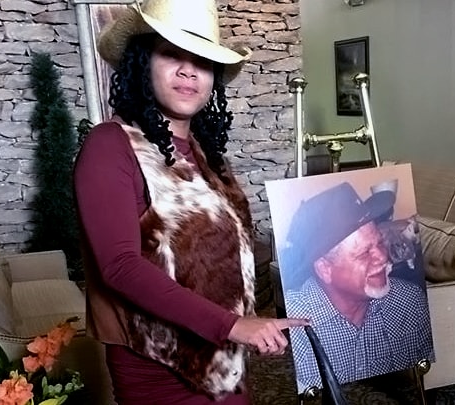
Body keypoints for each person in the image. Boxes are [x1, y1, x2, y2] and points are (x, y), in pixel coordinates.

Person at [73, 0, 307, 403]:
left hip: (223, 357)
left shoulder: (204, 152)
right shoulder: (109, 145)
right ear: (143, 61)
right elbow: (119, 267)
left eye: (201, 60)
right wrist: (231, 325)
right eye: (171, 54)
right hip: (159, 368)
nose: (188, 70)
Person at [278, 182, 434, 392]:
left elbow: (426, 378)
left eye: (379, 243)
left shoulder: (410, 300)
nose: (382, 257)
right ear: (325, 269)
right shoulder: (295, 325)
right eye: (364, 253)